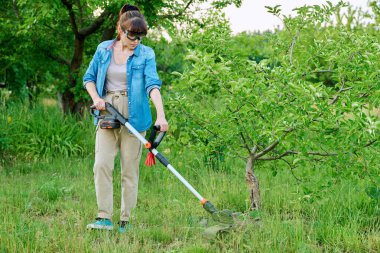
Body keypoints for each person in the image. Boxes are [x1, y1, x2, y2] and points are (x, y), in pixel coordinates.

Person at [83, 6, 168, 232]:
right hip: (107, 111)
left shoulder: (146, 54)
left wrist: (161, 114)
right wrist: (96, 98)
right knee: (101, 164)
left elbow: (152, 85)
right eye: (132, 35)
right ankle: (104, 218)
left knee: (129, 169)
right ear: (120, 30)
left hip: (135, 114)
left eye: (140, 37)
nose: (136, 41)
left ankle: (125, 221)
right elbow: (88, 78)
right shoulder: (103, 50)